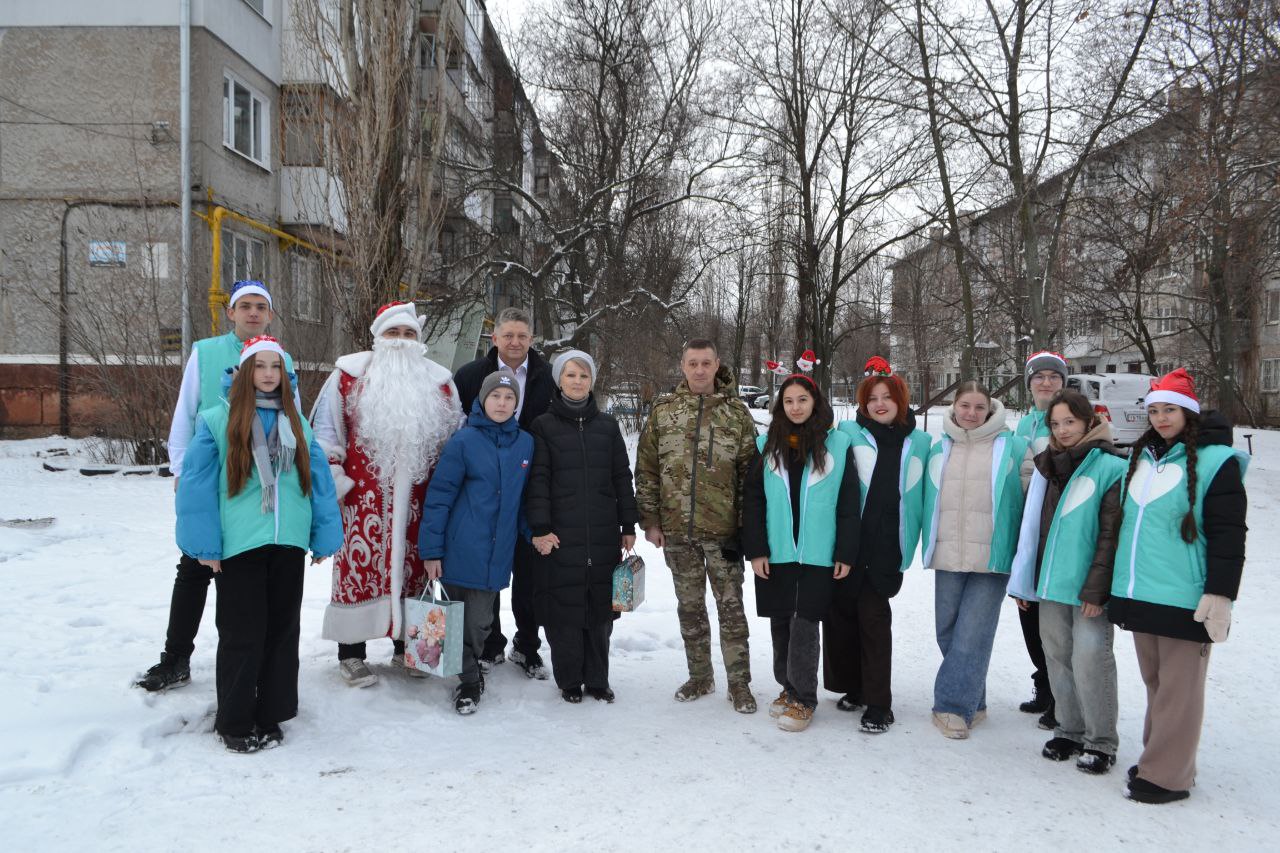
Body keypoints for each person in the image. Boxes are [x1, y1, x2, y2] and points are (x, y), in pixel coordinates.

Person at [175, 336, 343, 753]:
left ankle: (271, 711)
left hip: (287, 543)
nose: (268, 374)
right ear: (245, 372)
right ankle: (233, 719)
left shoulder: (298, 424)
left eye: (276, 368)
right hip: (240, 545)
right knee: (242, 632)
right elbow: (195, 490)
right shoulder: (217, 419)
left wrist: (323, 534)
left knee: (282, 630)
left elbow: (318, 483)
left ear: (286, 377)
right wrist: (205, 545)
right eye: (260, 366)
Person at [136, 280, 298, 693]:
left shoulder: (279, 358)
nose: (253, 312)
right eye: (244, 305)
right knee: (193, 569)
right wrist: (180, 471)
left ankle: (251, 666)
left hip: (256, 490)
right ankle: (175, 658)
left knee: (246, 583)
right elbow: (186, 412)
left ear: (271, 314)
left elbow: (291, 420)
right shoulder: (207, 353)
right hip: (212, 481)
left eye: (261, 306)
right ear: (230, 312)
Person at [1108, 369, 1247, 804]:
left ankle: (1167, 775)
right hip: (1141, 590)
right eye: (1154, 410)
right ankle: (1159, 757)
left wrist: (1220, 593)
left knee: (1179, 692)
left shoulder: (1216, 462)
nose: (1161, 417)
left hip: (1186, 597)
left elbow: (1228, 534)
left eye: (1170, 409)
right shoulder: (1144, 456)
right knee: (1156, 684)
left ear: (1188, 411)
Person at [310, 302, 462, 687]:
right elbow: (327, 433)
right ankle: (351, 653)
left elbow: (453, 443)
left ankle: (408, 649)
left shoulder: (440, 383)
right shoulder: (347, 377)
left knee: (417, 572)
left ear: (419, 341)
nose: (400, 342)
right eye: (393, 333)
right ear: (378, 337)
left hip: (420, 504)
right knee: (357, 571)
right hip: (362, 502)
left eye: (409, 334)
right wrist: (336, 480)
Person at [635, 339, 760, 713]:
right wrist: (651, 520)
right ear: (683, 365)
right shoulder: (663, 411)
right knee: (689, 609)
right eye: (693, 363)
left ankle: (739, 683)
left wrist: (743, 530)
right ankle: (700, 675)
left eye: (706, 363)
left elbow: (749, 478)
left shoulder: (737, 414)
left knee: (731, 610)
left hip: (723, 534)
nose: (700, 370)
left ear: (717, 364)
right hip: (677, 531)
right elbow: (647, 470)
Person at [1008, 389, 1126, 773]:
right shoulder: (1048, 465)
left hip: (1087, 585)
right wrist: (1026, 578)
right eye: (1056, 424)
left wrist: (1097, 589)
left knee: (1092, 659)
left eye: (1070, 422)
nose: (1063, 429)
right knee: (1057, 657)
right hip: (1050, 580)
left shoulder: (1111, 466)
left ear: (1089, 422)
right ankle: (1069, 730)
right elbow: (1033, 527)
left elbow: (1111, 535)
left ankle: (1101, 740)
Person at [742, 373, 857, 732]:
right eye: (789, 401)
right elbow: (754, 501)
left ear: (815, 403)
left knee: (805, 623)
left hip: (818, 554)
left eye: (802, 401)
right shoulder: (766, 445)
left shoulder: (837, 445)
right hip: (778, 551)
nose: (795, 407)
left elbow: (849, 503)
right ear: (781, 406)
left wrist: (846, 551)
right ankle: (788, 687)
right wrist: (757, 550)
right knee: (781, 620)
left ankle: (805, 698)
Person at [823, 356, 932, 734]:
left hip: (888, 545)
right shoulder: (847, 434)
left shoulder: (920, 441)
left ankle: (880, 703)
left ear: (901, 400)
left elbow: (929, 494)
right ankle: (854, 687)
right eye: (873, 398)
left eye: (888, 397)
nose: (880, 404)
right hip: (848, 542)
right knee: (842, 618)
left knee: (873, 619)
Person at [418, 370, 534, 714]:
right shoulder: (464, 441)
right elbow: (439, 497)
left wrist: (535, 532)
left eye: (509, 397)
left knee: (480, 623)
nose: (502, 403)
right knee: (453, 621)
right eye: (495, 396)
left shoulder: (526, 443)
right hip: (459, 550)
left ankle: (469, 667)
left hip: (496, 554)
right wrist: (431, 550)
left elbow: (525, 499)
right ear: (483, 400)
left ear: (516, 403)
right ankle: (469, 681)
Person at [525, 351, 639, 703]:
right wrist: (540, 527)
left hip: (603, 534)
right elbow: (538, 480)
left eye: (584, 376)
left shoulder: (607, 426)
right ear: (559, 380)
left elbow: (622, 475)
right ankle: (570, 680)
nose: (577, 381)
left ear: (592, 382)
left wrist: (627, 523)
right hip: (561, 535)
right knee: (566, 610)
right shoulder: (543, 425)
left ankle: (598, 680)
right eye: (571, 375)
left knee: (601, 610)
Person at [452, 307, 557, 678]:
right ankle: (491, 642)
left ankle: (527, 645)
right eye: (507, 335)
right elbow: (455, 429)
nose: (515, 342)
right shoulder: (468, 376)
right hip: (483, 491)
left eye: (522, 336)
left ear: (532, 340)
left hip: (532, 485)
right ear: (493, 338)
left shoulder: (548, 378)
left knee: (529, 574)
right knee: (488, 570)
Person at [923, 381, 1030, 739]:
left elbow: (1032, 499)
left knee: (973, 633)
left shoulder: (1014, 447)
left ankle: (953, 706)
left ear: (990, 410)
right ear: (954, 408)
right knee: (948, 632)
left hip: (992, 554)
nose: (971, 414)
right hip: (948, 551)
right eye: (964, 406)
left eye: (978, 408)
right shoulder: (940, 447)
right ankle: (975, 699)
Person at [1012, 350, 1069, 727]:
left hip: (1060, 534)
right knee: (1028, 611)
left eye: (1053, 377)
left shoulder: (1071, 421)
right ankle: (1044, 684)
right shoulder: (1022, 427)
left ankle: (1062, 695)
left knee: (1055, 619)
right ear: (1029, 382)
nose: (1046, 383)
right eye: (1039, 377)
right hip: (1026, 531)